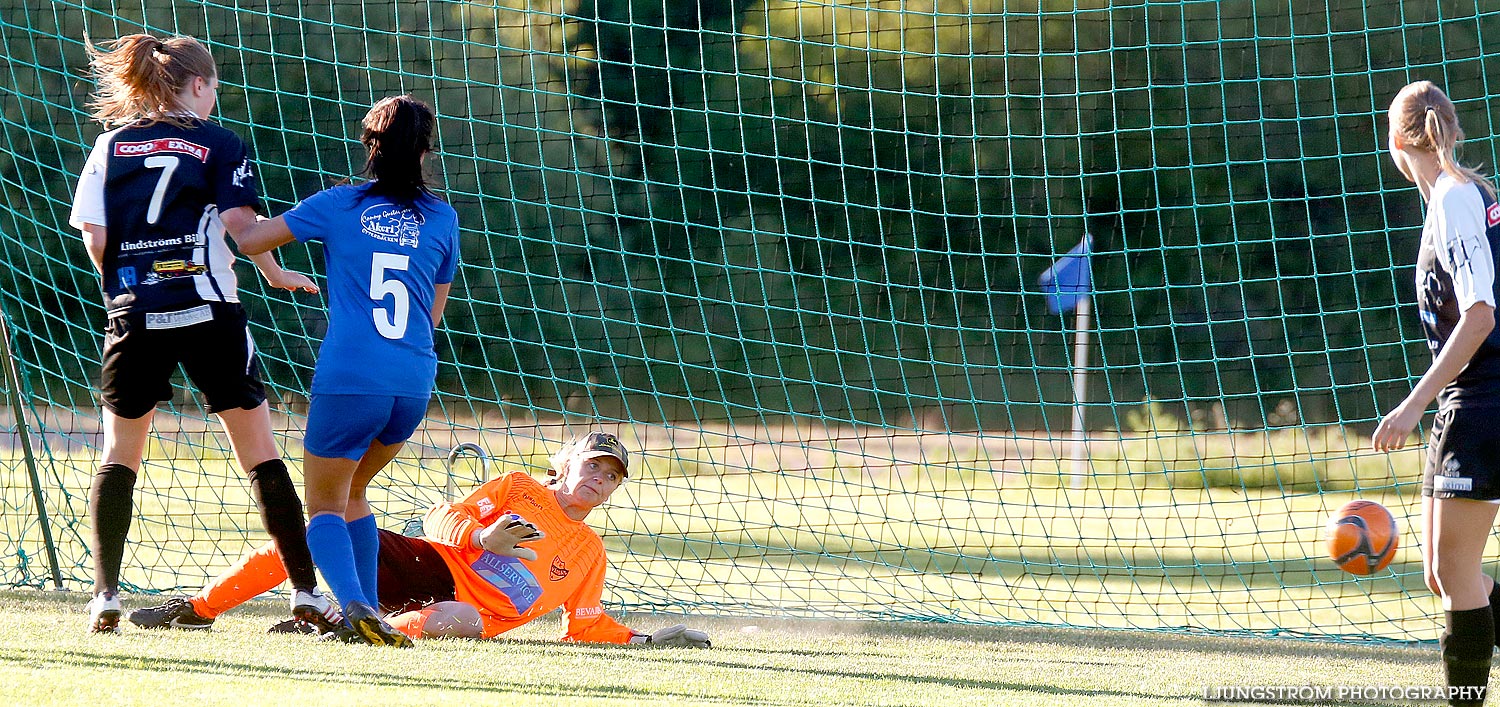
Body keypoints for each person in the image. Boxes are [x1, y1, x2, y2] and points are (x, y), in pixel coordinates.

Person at [69, 33, 336, 634]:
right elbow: (242, 228)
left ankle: (105, 596)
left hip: (135, 314)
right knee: (261, 454)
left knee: (119, 456)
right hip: (208, 311)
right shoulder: (217, 143)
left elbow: (96, 239)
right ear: (198, 85)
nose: (216, 96)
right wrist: (276, 263)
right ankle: (305, 595)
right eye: (214, 86)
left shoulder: (109, 145)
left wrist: (131, 290)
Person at [220, 94, 460, 647]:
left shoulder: (340, 204)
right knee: (354, 492)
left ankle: (352, 606)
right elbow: (432, 315)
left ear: (368, 145)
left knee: (323, 505)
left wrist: (228, 193)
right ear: (425, 151)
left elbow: (250, 239)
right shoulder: (444, 218)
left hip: (352, 376)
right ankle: (371, 607)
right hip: (413, 379)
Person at [129, 433, 712, 648]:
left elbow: (585, 625)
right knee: (308, 542)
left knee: (451, 620)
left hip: (471, 613)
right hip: (429, 561)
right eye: (593, 466)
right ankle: (197, 610)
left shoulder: (590, 553)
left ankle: (346, 628)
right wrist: (484, 535)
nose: (600, 480)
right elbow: (439, 517)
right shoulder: (515, 486)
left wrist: (648, 638)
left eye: (611, 477)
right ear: (564, 463)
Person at [1375, 80, 1500, 707]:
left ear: (1397, 141)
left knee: (1455, 574)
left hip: (1480, 402)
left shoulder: (1455, 200)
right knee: (1442, 573)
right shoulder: (1462, 198)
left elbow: (1480, 315)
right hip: (1469, 403)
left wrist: (1413, 401)